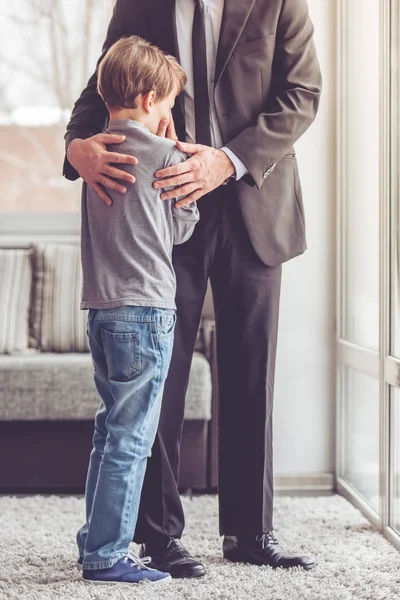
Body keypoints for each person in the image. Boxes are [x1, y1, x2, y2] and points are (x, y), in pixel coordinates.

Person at [64, 0, 322, 579]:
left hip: (254, 198)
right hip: (161, 201)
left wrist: (226, 162)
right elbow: (105, 81)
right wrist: (75, 145)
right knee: (162, 376)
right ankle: (158, 537)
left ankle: (251, 532)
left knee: (250, 371)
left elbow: (301, 92)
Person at [76, 35, 199, 585]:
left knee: (110, 433)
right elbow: (176, 230)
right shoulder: (167, 156)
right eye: (170, 104)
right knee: (132, 439)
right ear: (150, 99)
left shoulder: (94, 152)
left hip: (101, 310)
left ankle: (94, 539)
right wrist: (189, 197)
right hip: (146, 311)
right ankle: (107, 555)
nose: (171, 115)